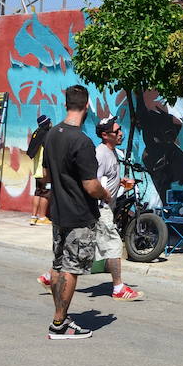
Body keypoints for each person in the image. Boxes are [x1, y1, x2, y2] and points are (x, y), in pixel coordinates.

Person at [36, 113, 142, 302]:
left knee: (79, 249)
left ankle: (48, 276)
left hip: (103, 207)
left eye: (120, 130)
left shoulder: (111, 153)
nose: (121, 134)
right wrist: (103, 198)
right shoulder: (101, 154)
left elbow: (106, 179)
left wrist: (119, 182)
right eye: (116, 131)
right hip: (101, 208)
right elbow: (93, 180)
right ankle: (118, 287)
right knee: (114, 245)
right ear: (105, 135)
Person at [26, 114, 53, 226]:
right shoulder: (46, 135)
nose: (51, 124)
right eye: (49, 122)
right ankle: (42, 217)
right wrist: (47, 170)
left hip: (37, 169)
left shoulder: (37, 133)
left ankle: (33, 217)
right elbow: (46, 153)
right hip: (43, 169)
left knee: (38, 191)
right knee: (46, 192)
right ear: (46, 124)